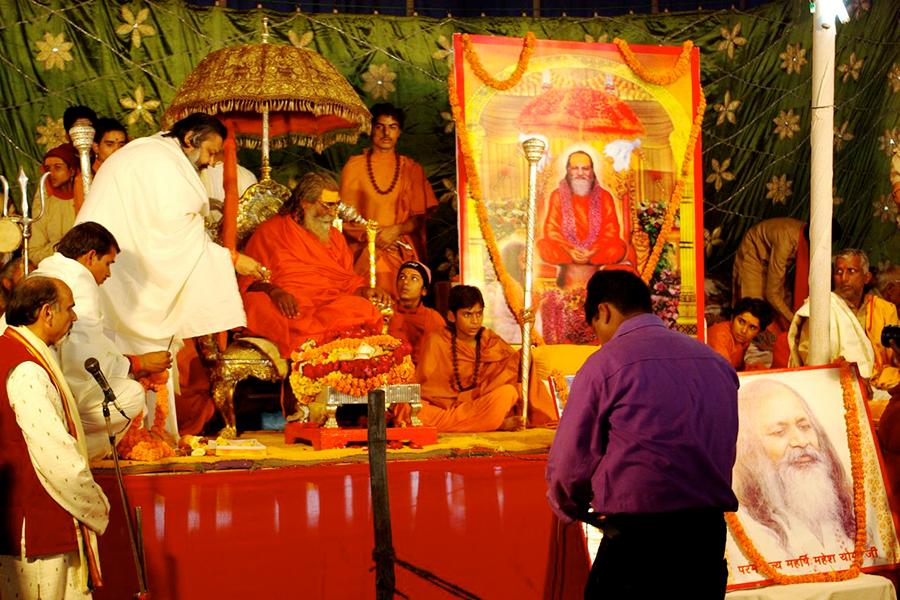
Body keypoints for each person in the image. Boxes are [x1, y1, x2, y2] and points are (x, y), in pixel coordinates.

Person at [546, 269, 738, 597]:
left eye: (596, 328)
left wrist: (570, 506)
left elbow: (571, 458)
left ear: (603, 311)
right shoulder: (716, 363)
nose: (600, 339)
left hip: (639, 540)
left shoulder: (606, 364)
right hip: (705, 536)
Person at [76, 113, 265, 437]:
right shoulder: (163, 163)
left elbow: (170, 232)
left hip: (128, 268)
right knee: (139, 346)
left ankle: (148, 435)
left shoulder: (157, 154)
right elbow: (174, 235)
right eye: (211, 151)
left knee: (147, 348)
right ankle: (136, 437)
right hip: (124, 271)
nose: (213, 160)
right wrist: (230, 259)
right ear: (190, 139)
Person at [0, 276, 109, 599]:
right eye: (70, 308)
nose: (73, 317)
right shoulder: (27, 368)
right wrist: (95, 503)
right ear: (46, 312)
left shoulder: (11, 349)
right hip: (35, 522)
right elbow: (53, 455)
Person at [33, 222, 172, 459]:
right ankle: (75, 454)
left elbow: (83, 343)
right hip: (46, 397)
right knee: (131, 395)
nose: (108, 274)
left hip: (28, 384)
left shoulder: (43, 272)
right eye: (108, 264)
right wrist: (138, 365)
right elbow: (83, 361)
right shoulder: (79, 280)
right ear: (90, 257)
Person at [240, 172, 388, 357]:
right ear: (305, 203)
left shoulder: (335, 238)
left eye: (336, 205)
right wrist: (275, 292)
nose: (333, 213)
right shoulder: (270, 232)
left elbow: (347, 282)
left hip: (329, 306)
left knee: (363, 308)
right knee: (256, 305)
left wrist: (365, 291)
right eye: (327, 205)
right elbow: (249, 282)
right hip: (289, 308)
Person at [730, 378, 855, 560]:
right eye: (779, 432)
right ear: (750, 451)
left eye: (804, 427)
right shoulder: (744, 523)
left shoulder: (845, 505)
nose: (801, 442)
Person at [339, 103, 438, 297]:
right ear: (370, 129)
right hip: (364, 252)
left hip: (399, 251)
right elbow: (341, 217)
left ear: (399, 132)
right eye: (380, 126)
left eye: (392, 127)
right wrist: (373, 236)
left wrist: (396, 231)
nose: (386, 133)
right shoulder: (354, 167)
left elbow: (419, 218)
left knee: (401, 311)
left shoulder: (411, 169)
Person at [790, 249, 898, 395]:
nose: (844, 278)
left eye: (851, 271)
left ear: (866, 277)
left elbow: (895, 357)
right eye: (838, 272)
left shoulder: (884, 309)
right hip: (840, 388)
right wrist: (850, 376)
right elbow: (811, 359)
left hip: (885, 386)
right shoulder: (822, 308)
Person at [416, 285, 521, 432]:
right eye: (467, 315)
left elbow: (512, 367)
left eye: (479, 314)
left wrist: (526, 328)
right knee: (415, 410)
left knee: (508, 393)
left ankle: (477, 423)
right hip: (443, 407)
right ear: (451, 316)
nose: (475, 321)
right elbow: (426, 389)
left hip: (477, 405)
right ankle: (493, 424)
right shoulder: (437, 340)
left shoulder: (490, 342)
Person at [536, 150, 630, 290]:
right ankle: (578, 262)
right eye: (575, 168)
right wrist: (570, 250)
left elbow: (611, 231)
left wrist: (592, 251)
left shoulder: (604, 196)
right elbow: (551, 229)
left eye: (585, 168)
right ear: (568, 170)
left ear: (592, 171)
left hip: (596, 251)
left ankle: (588, 262)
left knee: (618, 248)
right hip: (566, 250)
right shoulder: (557, 195)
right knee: (543, 246)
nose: (580, 173)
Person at [732, 217, 809, 330]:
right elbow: (772, 294)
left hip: (771, 259)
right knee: (753, 311)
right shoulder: (786, 241)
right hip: (754, 256)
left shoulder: (809, 239)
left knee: (784, 304)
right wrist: (795, 321)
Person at [30, 144, 80, 263]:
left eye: (57, 168)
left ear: (72, 171)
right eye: (48, 169)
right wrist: (60, 248)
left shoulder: (85, 198)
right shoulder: (43, 204)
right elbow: (33, 252)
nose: (51, 173)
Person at [386, 261, 444, 364]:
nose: (406, 282)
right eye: (402, 277)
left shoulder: (433, 318)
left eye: (414, 278)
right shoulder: (386, 313)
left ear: (424, 291)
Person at [707, 297, 774, 370]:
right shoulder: (720, 335)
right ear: (733, 318)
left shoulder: (743, 339)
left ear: (759, 332)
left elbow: (738, 369)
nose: (744, 331)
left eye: (752, 327)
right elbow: (725, 373)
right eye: (741, 322)